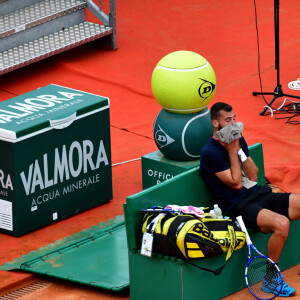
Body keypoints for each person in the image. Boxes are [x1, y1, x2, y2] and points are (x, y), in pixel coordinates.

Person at [200, 102, 300, 297]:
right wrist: (231, 150)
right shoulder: (210, 152)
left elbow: (253, 175)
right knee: (282, 224)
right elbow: (236, 183)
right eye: (227, 120)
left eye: (234, 118)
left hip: (259, 194)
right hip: (238, 206)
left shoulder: (237, 140)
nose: (233, 123)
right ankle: (271, 280)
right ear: (215, 123)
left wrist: (239, 150)